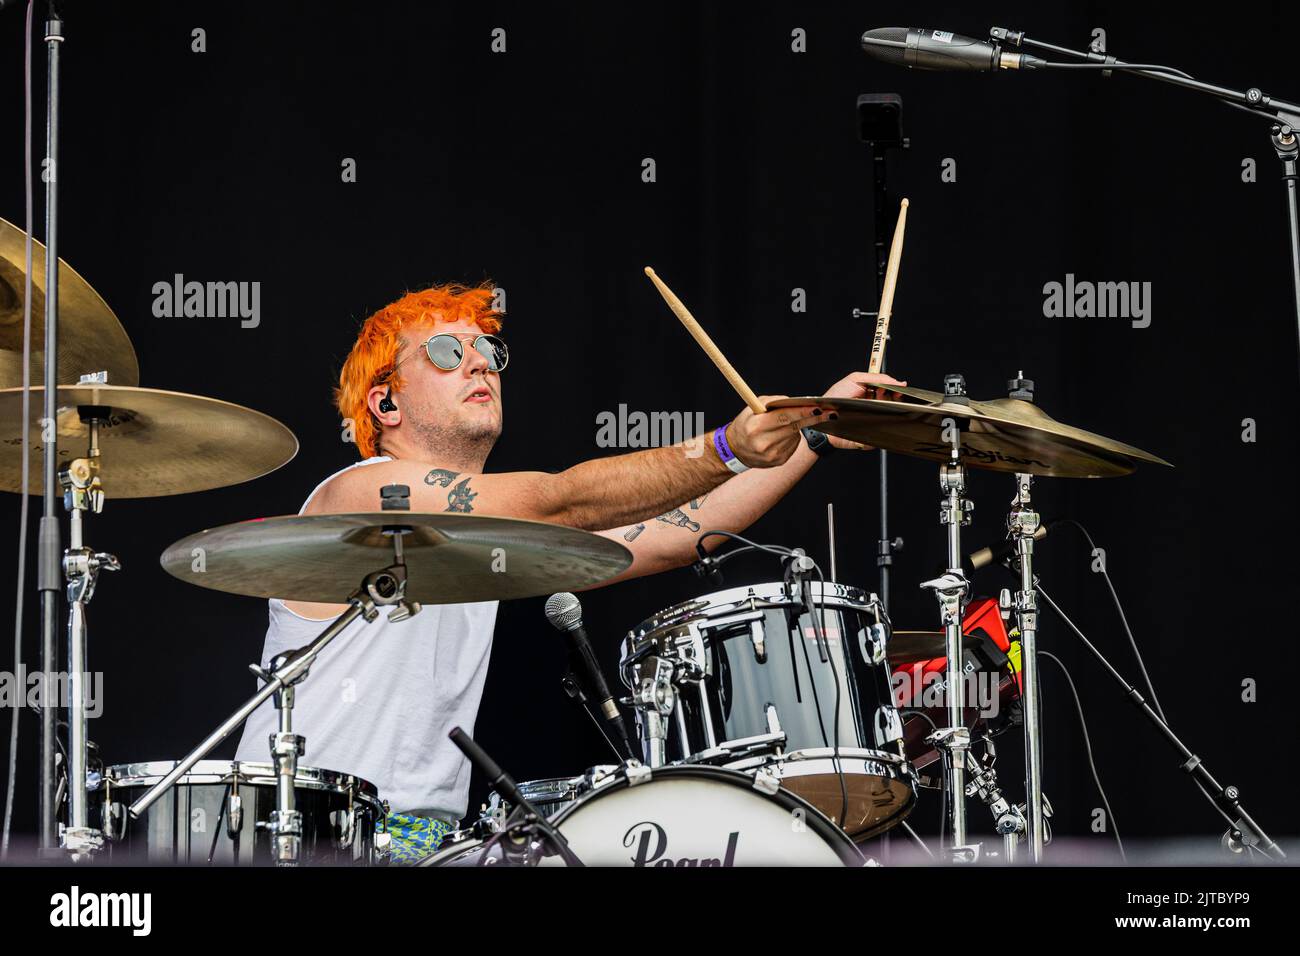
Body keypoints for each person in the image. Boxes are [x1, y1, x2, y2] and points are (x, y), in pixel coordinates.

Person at [233, 281, 903, 862]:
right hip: (307, 831)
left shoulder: (491, 534)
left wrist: (814, 430)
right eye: (446, 353)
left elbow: (680, 535)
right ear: (385, 405)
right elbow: (561, 500)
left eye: (489, 353)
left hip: (426, 843)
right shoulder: (362, 493)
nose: (480, 366)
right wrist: (726, 445)